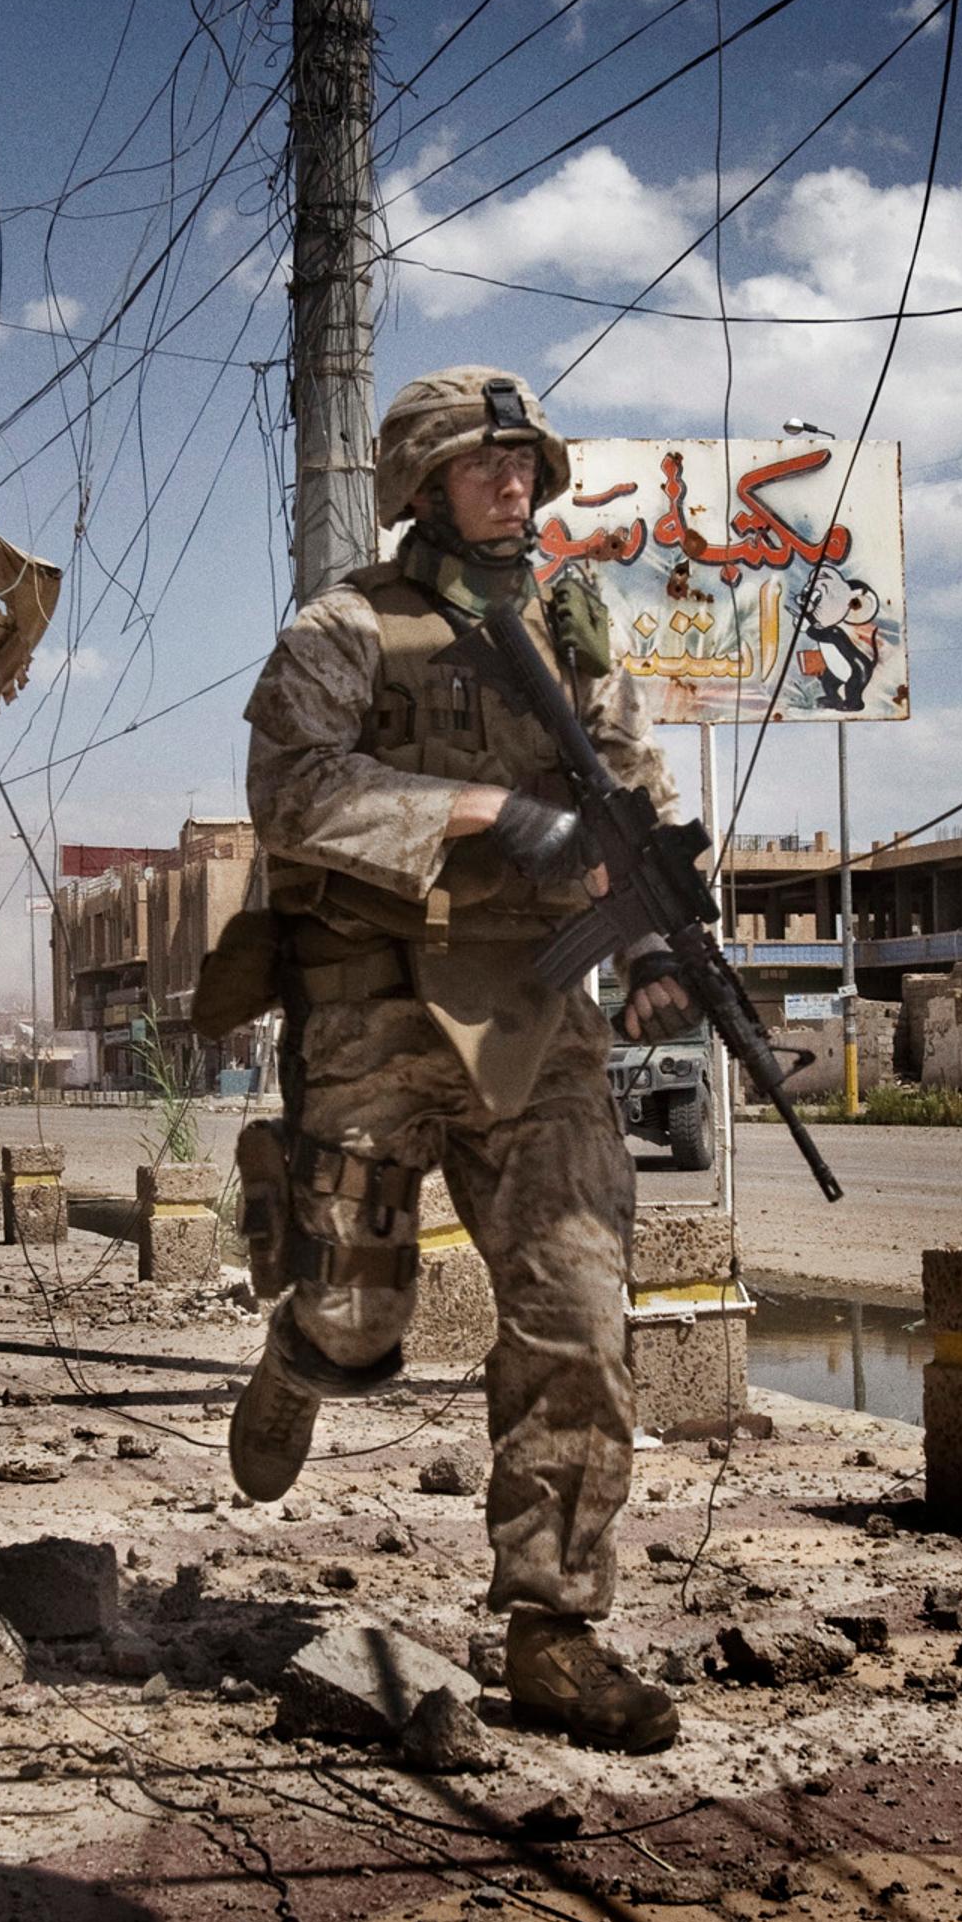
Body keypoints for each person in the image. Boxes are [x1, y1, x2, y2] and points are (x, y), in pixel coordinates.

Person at [233, 365, 695, 1753]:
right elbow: (292, 792)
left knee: (582, 1317)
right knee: (359, 1318)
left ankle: (554, 1629)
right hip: (375, 1005)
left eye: (525, 462)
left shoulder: (572, 640)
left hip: (541, 1016)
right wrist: (490, 813)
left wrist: (655, 946)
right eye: (484, 462)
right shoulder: (346, 629)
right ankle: (299, 1357)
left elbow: (633, 806)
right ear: (421, 485)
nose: (515, 482)